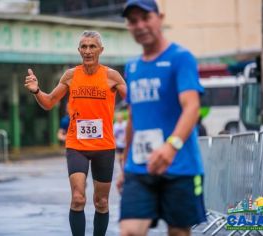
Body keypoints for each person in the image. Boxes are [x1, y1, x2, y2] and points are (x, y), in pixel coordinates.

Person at [24, 31, 126, 236]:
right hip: (76, 145)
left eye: (92, 46)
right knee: (78, 198)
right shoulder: (71, 75)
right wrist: (36, 90)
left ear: (101, 50)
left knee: (102, 201)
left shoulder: (111, 76)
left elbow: (135, 103)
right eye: (84, 47)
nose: (87, 51)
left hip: (104, 146)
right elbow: (49, 102)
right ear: (79, 50)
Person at [118, 1, 207, 235]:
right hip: (139, 168)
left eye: (145, 18)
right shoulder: (132, 67)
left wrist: (171, 146)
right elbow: (134, 119)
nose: (140, 25)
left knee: (178, 232)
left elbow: (192, 107)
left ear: (160, 17)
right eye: (133, 21)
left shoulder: (181, 58)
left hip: (180, 167)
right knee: (129, 231)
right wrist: (125, 166)